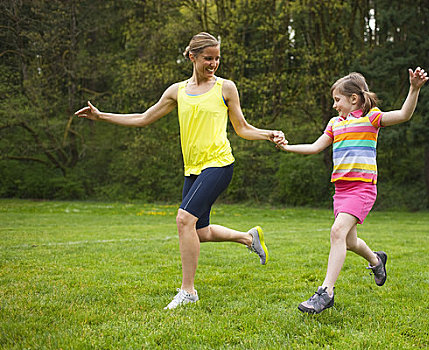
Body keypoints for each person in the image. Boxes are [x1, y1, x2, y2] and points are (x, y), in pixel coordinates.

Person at [75, 32, 287, 309]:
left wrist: (267, 134)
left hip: (219, 163)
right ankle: (248, 238)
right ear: (192, 57)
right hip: (193, 169)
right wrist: (101, 115)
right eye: (208, 58)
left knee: (184, 220)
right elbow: (143, 118)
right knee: (199, 231)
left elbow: (242, 128)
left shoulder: (226, 88)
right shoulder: (177, 91)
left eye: (217, 59)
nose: (213, 64)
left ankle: (188, 291)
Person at [278, 68, 429, 314]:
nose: (334, 105)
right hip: (341, 190)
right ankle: (376, 260)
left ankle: (325, 292)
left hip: (362, 189)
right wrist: (288, 147)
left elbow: (403, 114)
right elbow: (316, 147)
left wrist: (414, 88)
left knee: (337, 232)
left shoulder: (371, 119)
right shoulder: (335, 124)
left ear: (354, 99)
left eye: (337, 99)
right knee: (349, 241)